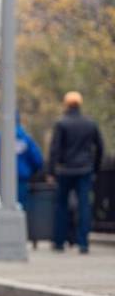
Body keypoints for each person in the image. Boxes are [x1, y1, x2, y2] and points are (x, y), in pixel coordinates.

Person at [48, 91, 104, 254]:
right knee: (84, 206)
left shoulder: (61, 123)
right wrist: (95, 167)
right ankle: (83, 243)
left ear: (66, 105)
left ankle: (59, 242)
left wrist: (51, 171)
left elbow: (55, 149)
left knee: (61, 205)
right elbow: (100, 147)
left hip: (65, 170)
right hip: (85, 170)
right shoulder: (90, 123)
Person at [0, 113, 44, 210]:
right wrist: (34, 172)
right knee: (20, 209)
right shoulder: (26, 138)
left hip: (3, 179)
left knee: (3, 208)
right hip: (22, 180)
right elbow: (38, 160)